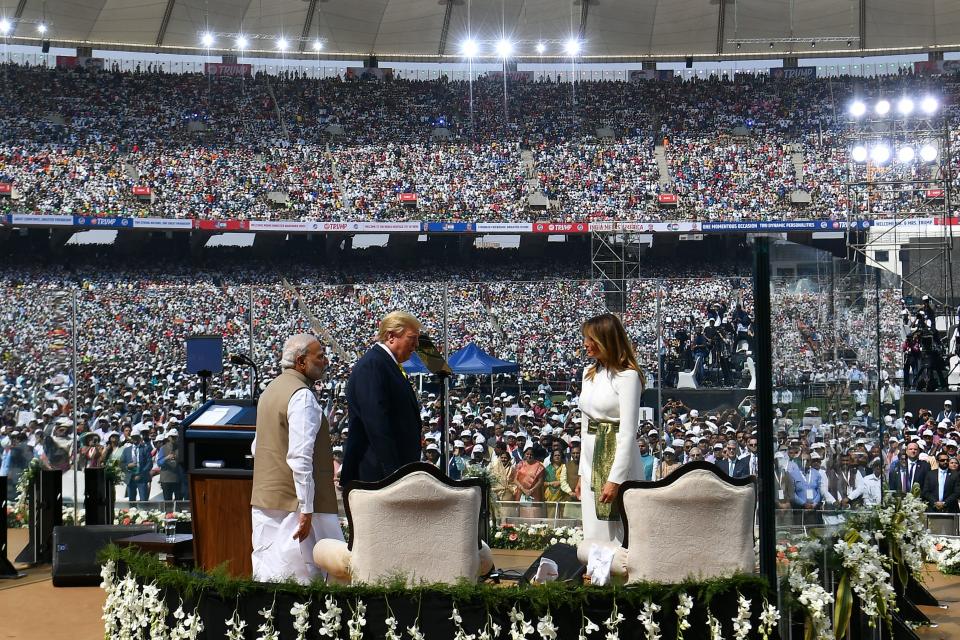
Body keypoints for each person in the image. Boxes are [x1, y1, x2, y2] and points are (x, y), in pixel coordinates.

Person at [250, 334, 343, 584]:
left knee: (269, 574)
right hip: (296, 505)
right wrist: (306, 508)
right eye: (320, 356)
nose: (325, 361)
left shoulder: (271, 390)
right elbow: (300, 458)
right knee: (303, 577)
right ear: (301, 362)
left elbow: (258, 447)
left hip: (267, 498)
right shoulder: (301, 396)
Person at [575, 313, 645, 543]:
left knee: (617, 532)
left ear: (606, 341)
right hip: (590, 460)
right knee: (593, 530)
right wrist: (581, 473)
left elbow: (627, 432)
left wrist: (615, 479)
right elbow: (585, 424)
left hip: (616, 460)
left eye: (591, 339)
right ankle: (597, 576)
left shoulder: (628, 376)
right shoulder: (588, 373)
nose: (585, 344)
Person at [341, 311, 423, 484]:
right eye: (412, 338)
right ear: (391, 336)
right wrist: (393, 473)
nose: (416, 345)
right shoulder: (373, 365)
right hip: (377, 473)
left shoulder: (387, 364)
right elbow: (376, 422)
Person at [515, 445, 545, 518]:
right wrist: (523, 489)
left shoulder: (539, 466)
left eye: (531, 454)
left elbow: (540, 481)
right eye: (527, 454)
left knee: (533, 513)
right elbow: (515, 480)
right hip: (521, 493)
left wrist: (531, 490)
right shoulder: (520, 464)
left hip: (534, 493)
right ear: (524, 454)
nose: (529, 456)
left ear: (534, 455)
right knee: (522, 512)